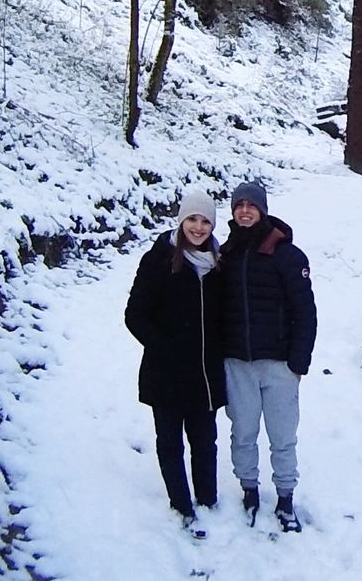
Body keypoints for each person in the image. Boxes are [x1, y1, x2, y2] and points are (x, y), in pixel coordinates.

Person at [125, 189, 226, 536]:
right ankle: (182, 505)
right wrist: (164, 348)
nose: (198, 227)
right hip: (165, 372)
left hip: (204, 374)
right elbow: (135, 315)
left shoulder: (218, 263)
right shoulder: (158, 259)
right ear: (182, 221)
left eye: (205, 221)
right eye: (192, 219)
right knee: (170, 442)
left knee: (204, 440)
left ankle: (208, 499)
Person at [219, 180, 317, 532]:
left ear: (262, 209)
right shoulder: (225, 254)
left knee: (282, 435)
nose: (245, 211)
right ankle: (249, 490)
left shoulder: (286, 254)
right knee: (242, 432)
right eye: (239, 205)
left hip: (278, 364)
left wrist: (298, 363)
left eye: (251, 205)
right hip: (237, 362)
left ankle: (286, 497)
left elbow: (305, 311)